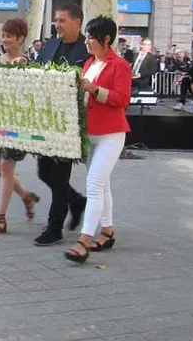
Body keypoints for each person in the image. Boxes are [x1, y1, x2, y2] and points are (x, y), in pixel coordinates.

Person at [65, 15, 131, 263]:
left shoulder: (120, 65)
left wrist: (94, 90)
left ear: (106, 39)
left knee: (94, 185)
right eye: (87, 37)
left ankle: (83, 240)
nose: (87, 42)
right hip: (91, 133)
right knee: (101, 185)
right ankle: (107, 230)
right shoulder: (90, 63)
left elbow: (122, 100)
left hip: (111, 134)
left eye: (91, 38)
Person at [33, 3, 89, 246]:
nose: (57, 24)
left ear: (77, 22)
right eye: (56, 20)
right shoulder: (51, 45)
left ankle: (54, 227)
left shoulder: (86, 49)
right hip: (46, 117)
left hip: (69, 120)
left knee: (59, 174)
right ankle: (76, 201)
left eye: (63, 20)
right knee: (44, 172)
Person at [0, 18, 40, 237]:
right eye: (3, 35)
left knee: (6, 169)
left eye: (9, 36)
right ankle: (26, 196)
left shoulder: (24, 63)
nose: (4, 39)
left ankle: (0, 219)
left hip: (17, 124)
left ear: (20, 38)